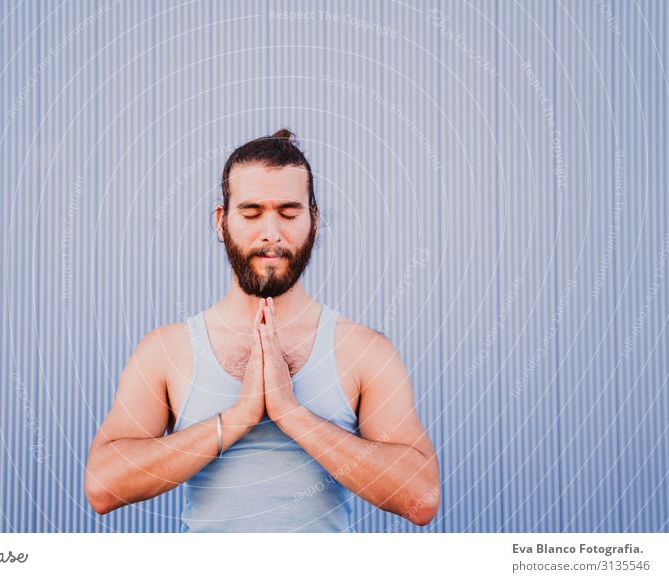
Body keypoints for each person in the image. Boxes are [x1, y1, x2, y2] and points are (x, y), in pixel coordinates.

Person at [84, 129, 440, 532]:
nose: (271, 232)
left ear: (315, 220)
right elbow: (102, 486)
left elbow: (421, 498)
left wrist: (291, 414)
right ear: (222, 221)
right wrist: (237, 418)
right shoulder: (167, 350)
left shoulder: (364, 350)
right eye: (251, 213)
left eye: (288, 213)